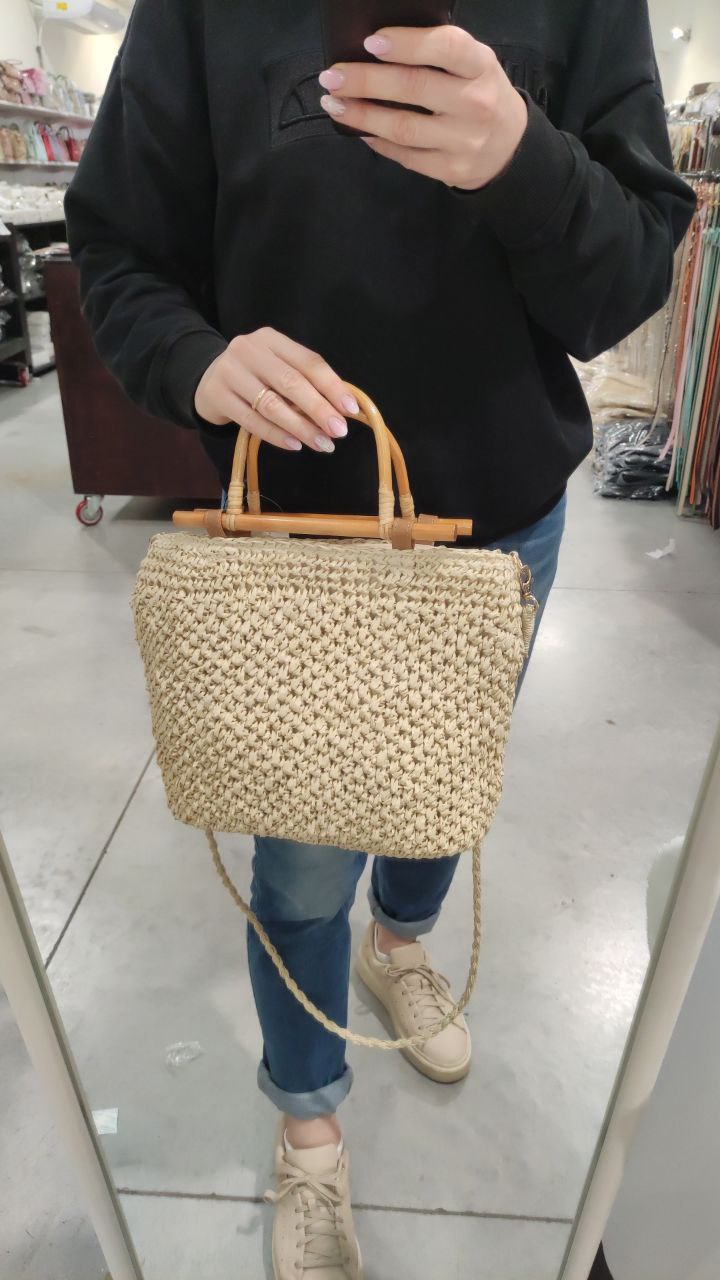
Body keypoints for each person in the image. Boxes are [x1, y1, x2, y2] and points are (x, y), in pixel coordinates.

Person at [65, 2, 694, 1275]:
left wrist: (522, 161)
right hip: (292, 537)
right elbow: (118, 244)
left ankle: (400, 943)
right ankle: (309, 1124)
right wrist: (193, 359)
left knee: (434, 798)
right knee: (300, 861)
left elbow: (629, 278)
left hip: (496, 522)